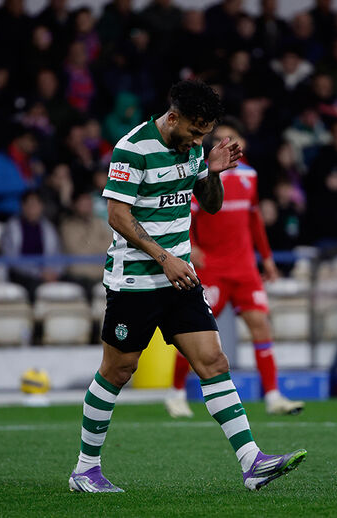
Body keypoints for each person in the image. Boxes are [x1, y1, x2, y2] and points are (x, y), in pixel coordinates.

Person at [69, 80, 305, 494]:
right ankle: (85, 469)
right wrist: (165, 257)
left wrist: (212, 171)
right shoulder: (133, 148)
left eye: (205, 133)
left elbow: (210, 204)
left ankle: (252, 462)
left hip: (181, 281)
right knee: (118, 369)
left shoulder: (194, 148)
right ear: (173, 117)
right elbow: (118, 216)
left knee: (213, 361)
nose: (199, 140)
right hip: (136, 281)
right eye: (196, 132)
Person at [165, 118, 304, 418]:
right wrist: (192, 246)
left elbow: (254, 218)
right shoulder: (203, 174)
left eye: (233, 138)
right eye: (222, 139)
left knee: (261, 326)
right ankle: (176, 394)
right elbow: (186, 213)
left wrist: (265, 258)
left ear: (242, 143)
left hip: (245, 268)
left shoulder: (250, 176)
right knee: (195, 332)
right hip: (212, 267)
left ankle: (273, 395)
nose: (227, 143)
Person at [0, 190, 61, 300]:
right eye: (29, 204)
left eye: (36, 204)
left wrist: (54, 273)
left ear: (42, 206)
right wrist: (38, 273)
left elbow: (57, 255)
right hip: (21, 274)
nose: (32, 208)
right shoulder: (12, 227)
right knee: (34, 286)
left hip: (46, 273)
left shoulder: (49, 228)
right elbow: (11, 259)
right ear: (22, 206)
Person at [0, 128, 40, 219]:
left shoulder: (32, 161)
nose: (33, 144)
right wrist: (25, 184)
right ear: (18, 139)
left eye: (35, 141)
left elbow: (35, 188)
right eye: (30, 140)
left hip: (27, 214)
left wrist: (38, 176)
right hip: (4, 212)